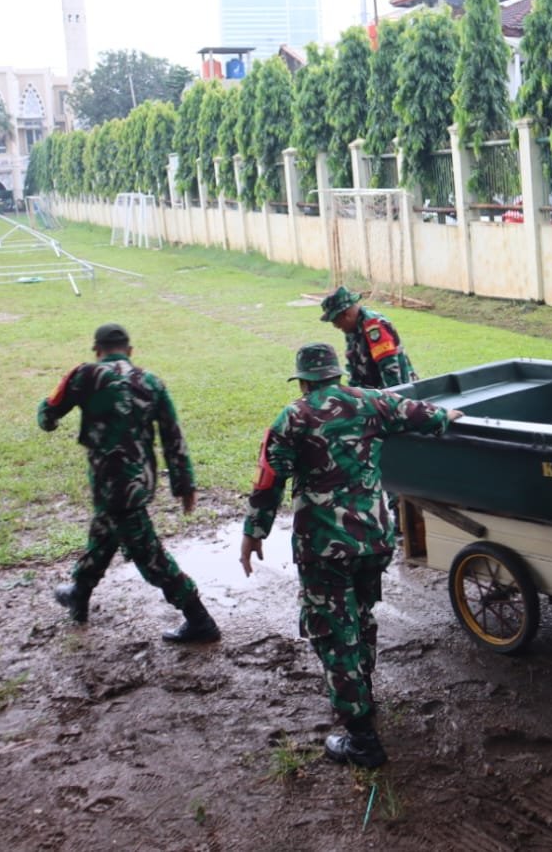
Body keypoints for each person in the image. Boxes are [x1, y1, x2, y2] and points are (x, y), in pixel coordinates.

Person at [240, 342, 462, 768]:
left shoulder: (292, 416)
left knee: (333, 632)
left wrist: (254, 533)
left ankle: (362, 739)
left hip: (324, 546)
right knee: (360, 617)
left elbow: (269, 481)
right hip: (373, 539)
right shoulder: (372, 401)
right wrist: (448, 417)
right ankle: (364, 694)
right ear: (336, 373)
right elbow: (425, 415)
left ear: (303, 381)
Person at [39, 322, 219, 645]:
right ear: (130, 351)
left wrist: (54, 410)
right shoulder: (151, 382)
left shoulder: (84, 375)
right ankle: (79, 592)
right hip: (138, 482)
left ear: (97, 351)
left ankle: (199, 619)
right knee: (104, 532)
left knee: (149, 556)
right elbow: (172, 435)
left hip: (112, 484)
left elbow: (47, 417)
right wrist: (184, 485)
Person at [321, 285, 417, 389]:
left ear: (346, 314)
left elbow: (390, 370)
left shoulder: (373, 327)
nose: (335, 326)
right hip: (371, 392)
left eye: (335, 321)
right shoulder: (352, 329)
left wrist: (393, 396)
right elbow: (353, 366)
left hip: (391, 391)